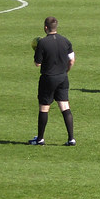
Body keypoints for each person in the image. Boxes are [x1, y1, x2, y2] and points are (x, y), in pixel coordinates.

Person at [29, 16, 76, 146]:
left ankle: (40, 139)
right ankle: (71, 139)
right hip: (62, 78)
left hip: (48, 78)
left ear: (45, 28)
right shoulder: (65, 41)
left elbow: (37, 64)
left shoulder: (42, 43)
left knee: (44, 108)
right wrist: (66, 71)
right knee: (65, 106)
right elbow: (71, 60)